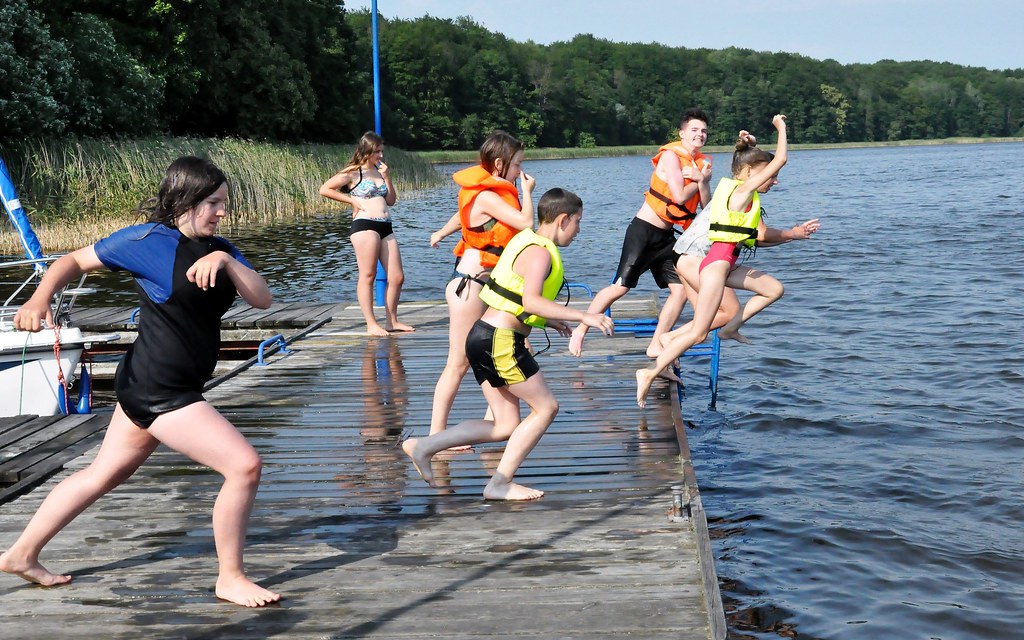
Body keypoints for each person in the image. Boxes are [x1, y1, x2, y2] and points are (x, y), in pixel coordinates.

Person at [0, 157, 281, 607]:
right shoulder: (144, 241)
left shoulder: (221, 248)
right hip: (158, 387)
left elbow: (262, 299)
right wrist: (39, 297)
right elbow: (72, 260)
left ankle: (20, 553)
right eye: (213, 203)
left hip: (163, 384)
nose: (221, 212)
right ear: (184, 201)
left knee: (101, 475)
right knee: (243, 465)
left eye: (224, 203)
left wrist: (225, 259)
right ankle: (230, 577)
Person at [403, 188, 613, 500]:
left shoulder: (524, 240)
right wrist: (585, 316)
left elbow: (517, 300)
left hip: (482, 335)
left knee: (504, 423)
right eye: (578, 222)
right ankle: (500, 482)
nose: (579, 230)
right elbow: (531, 300)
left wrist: (552, 321)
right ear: (563, 219)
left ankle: (425, 446)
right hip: (501, 341)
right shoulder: (541, 252)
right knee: (546, 407)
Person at [636, 115, 821, 407]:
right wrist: (781, 128)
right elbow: (780, 159)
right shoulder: (740, 191)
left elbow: (757, 228)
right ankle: (650, 371)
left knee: (774, 289)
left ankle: (730, 327)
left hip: (725, 263)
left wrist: (794, 234)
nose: (774, 180)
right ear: (750, 173)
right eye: (769, 175)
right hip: (714, 264)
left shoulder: (742, 193)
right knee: (698, 332)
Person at [569, 108, 713, 360]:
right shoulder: (671, 156)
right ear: (682, 133)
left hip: (667, 237)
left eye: (703, 131)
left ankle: (657, 343)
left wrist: (703, 181)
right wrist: (697, 180)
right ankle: (581, 329)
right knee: (620, 288)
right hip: (643, 231)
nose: (699, 135)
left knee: (679, 291)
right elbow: (679, 196)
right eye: (694, 130)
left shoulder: (701, 165)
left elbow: (705, 206)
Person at [426, 131, 535, 443]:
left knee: (511, 346)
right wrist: (527, 191)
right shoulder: (488, 196)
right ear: (499, 164)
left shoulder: (489, 194)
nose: (520, 173)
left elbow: (461, 218)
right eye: (516, 166)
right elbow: (526, 223)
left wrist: (441, 232)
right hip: (470, 287)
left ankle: (495, 423)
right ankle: (436, 436)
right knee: (458, 364)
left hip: (488, 286)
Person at [319, 131, 412, 336]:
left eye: (382, 151)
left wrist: (387, 177)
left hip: (385, 225)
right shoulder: (353, 172)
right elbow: (325, 189)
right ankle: (371, 324)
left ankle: (391, 321)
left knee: (397, 277)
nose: (380, 155)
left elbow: (391, 201)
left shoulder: (380, 172)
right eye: (377, 151)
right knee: (368, 275)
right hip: (364, 225)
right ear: (367, 150)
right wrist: (352, 201)